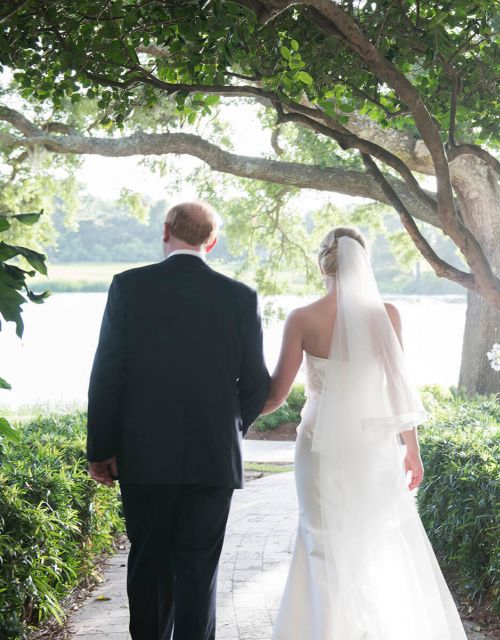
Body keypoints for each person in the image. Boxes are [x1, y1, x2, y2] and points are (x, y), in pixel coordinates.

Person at [263, 227, 467, 639]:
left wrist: (229, 414)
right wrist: (412, 450)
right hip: (372, 448)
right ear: (363, 262)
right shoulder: (386, 315)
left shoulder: (302, 318)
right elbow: (398, 389)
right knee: (373, 540)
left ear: (323, 263)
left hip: (319, 447)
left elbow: (275, 394)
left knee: (319, 538)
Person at [86, 202, 271, 640]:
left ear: (166, 231)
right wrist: (230, 428)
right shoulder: (240, 296)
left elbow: (107, 372)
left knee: (149, 562)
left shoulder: (129, 287)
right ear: (212, 241)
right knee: (199, 569)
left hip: (144, 457)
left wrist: (101, 450)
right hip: (213, 459)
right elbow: (257, 383)